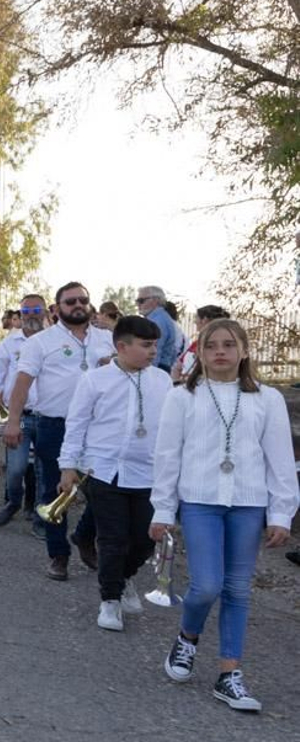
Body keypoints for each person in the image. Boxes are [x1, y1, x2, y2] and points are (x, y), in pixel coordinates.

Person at [154, 318, 296, 712]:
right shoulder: (183, 397)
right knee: (206, 586)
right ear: (199, 352)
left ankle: (229, 673)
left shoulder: (266, 399)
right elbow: (167, 456)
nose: (220, 351)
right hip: (200, 500)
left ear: (244, 351)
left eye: (229, 345)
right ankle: (187, 638)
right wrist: (163, 509)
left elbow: (280, 460)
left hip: (248, 503)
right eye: (211, 345)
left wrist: (281, 513)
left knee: (237, 589)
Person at [57, 314, 171, 631]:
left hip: (148, 474)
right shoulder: (94, 380)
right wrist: (68, 466)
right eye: (146, 345)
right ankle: (110, 600)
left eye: (155, 346)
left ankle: (125, 577)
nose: (153, 352)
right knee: (113, 539)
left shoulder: (161, 380)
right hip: (104, 471)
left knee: (144, 540)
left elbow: (171, 428)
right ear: (122, 346)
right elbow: (76, 424)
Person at [3, 282, 115, 580]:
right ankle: (58, 555)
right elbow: (22, 383)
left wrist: (113, 363)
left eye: (83, 300)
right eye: (70, 301)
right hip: (54, 425)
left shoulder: (108, 339)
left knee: (104, 490)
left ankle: (83, 535)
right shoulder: (39, 342)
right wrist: (14, 421)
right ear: (57, 308)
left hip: (99, 427)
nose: (77, 305)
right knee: (55, 490)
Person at [0, 294, 47, 527]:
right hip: (18, 416)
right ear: (20, 315)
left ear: (44, 312)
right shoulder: (10, 344)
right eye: (26, 312)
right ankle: (14, 501)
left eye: (35, 311)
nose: (31, 316)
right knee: (16, 468)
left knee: (44, 471)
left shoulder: (55, 341)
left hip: (48, 417)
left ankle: (39, 517)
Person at [172, 304, 228, 382]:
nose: (195, 321)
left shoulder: (219, 346)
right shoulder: (196, 343)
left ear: (204, 320)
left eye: (196, 317)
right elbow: (179, 365)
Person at [133, 286, 182, 373]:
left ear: (155, 300)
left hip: (156, 368)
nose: (138, 304)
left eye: (141, 301)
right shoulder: (162, 317)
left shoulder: (157, 321)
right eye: (137, 301)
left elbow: (153, 352)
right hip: (161, 367)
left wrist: (147, 374)